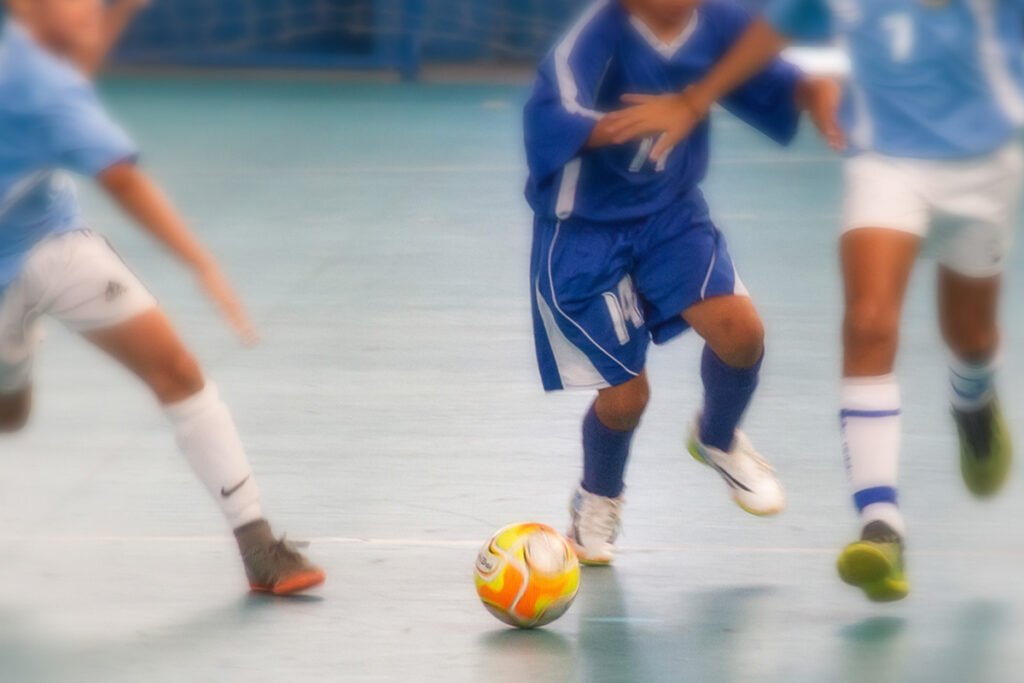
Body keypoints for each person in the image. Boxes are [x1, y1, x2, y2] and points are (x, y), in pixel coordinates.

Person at [603, 0, 1024, 601]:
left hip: (983, 167)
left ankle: (973, 397)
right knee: (870, 323)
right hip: (888, 160)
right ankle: (881, 526)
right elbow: (772, 27)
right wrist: (695, 100)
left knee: (972, 334)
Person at [0, 0, 325, 596]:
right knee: (8, 415)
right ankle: (14, 358)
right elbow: (121, 178)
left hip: (54, 239)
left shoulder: (41, 66)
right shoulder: (27, 81)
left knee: (176, 368)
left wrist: (120, 12)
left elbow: (77, 72)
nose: (86, 9)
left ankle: (258, 545)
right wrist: (202, 264)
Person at [524, 0, 838, 565]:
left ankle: (716, 436)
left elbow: (776, 77)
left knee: (741, 333)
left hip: (670, 215)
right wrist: (634, 121)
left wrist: (817, 96)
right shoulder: (594, 38)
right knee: (626, 399)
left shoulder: (721, 22)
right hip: (584, 232)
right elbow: (550, 119)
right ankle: (597, 496)